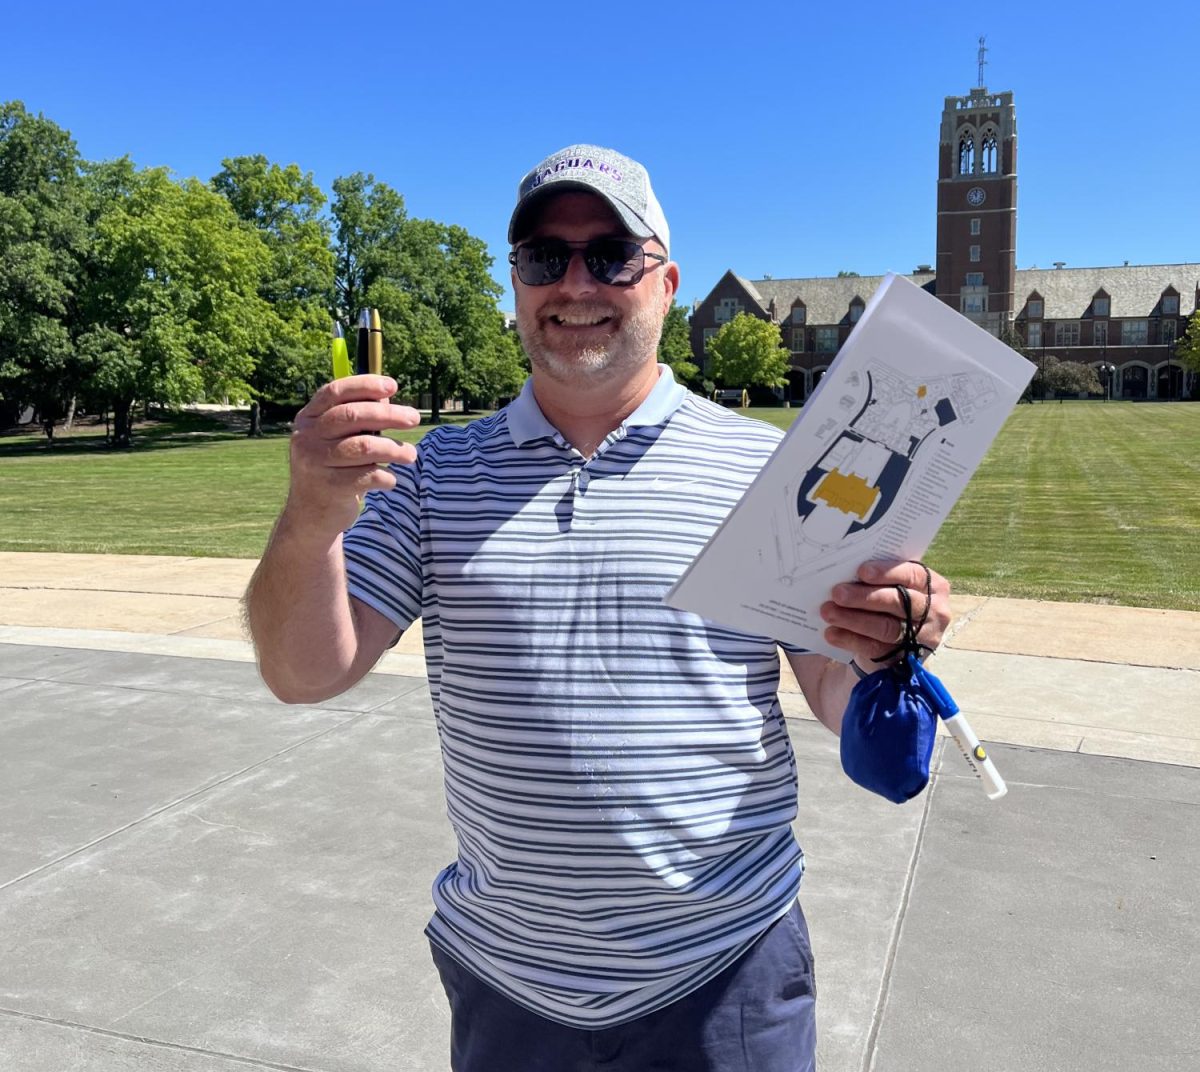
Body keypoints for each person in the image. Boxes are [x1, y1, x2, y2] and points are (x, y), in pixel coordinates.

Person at [245, 144, 952, 1072]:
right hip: (510, 981)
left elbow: (827, 685)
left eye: (611, 253)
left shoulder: (768, 472)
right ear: (516, 284)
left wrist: (879, 639)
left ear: (665, 282)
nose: (575, 281)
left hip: (725, 969)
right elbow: (304, 673)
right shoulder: (428, 477)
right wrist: (309, 518)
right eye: (545, 257)